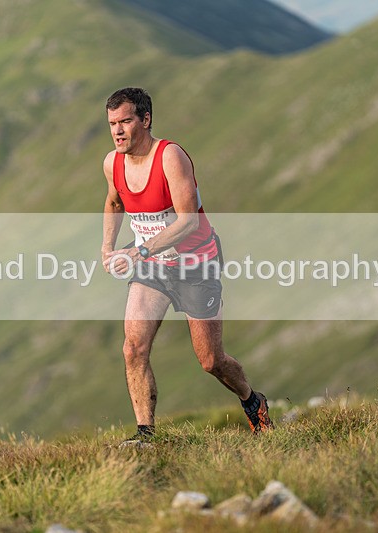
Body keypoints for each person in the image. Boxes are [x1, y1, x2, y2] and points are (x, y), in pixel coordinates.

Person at [100, 87, 274, 443]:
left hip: (196, 265)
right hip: (152, 266)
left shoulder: (170, 157)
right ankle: (145, 435)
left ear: (145, 120)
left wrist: (140, 251)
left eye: (126, 122)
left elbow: (188, 222)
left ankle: (252, 400)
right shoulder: (112, 163)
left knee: (211, 360)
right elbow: (115, 202)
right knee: (133, 347)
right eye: (112, 124)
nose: (118, 131)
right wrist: (107, 248)